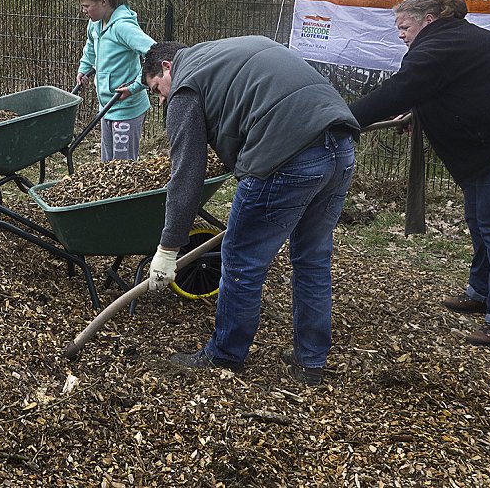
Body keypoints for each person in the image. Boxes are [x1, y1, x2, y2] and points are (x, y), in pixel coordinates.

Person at [143, 38, 359, 386]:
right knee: (312, 259)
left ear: (167, 67)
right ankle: (310, 361)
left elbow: (186, 175)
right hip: (340, 145)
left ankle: (224, 355)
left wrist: (168, 249)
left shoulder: (185, 85)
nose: (162, 100)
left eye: (157, 90)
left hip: (285, 157)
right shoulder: (224, 53)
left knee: (241, 259)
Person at [349, 0, 490, 348]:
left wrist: (343, 119)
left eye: (405, 26)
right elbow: (455, 87)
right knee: (480, 215)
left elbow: (399, 89)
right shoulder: (452, 39)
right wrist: (422, 112)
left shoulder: (441, 44)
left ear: (428, 20)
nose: (400, 34)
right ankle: (482, 291)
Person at [70, 0, 155, 161]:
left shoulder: (123, 27)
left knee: (122, 165)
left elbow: (154, 53)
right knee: (107, 163)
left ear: (103, 2)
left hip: (127, 107)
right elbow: (90, 47)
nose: (83, 10)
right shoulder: (95, 25)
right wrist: (84, 68)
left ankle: (127, 183)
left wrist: (135, 86)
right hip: (107, 106)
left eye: (86, 5)